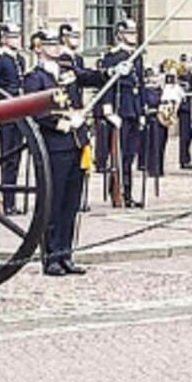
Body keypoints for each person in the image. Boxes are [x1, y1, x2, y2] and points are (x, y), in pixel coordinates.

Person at [23, 29, 93, 276]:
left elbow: (89, 78)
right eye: (50, 44)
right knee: (54, 201)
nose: (55, 48)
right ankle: (51, 256)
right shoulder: (35, 78)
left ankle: (66, 254)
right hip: (55, 144)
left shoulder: (67, 71)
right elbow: (36, 112)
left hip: (75, 143)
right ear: (39, 48)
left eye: (57, 44)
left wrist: (114, 72)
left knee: (71, 203)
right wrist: (63, 123)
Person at [97, 18, 146, 208]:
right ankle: (118, 191)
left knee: (130, 156)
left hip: (133, 108)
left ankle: (128, 192)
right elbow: (107, 86)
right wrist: (108, 111)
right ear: (120, 34)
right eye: (130, 33)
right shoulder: (113, 56)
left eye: (134, 32)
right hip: (120, 109)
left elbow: (139, 85)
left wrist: (141, 111)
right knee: (118, 155)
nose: (134, 36)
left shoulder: (137, 55)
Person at [0, 23, 28, 215]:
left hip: (18, 112)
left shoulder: (20, 59)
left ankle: (11, 200)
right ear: (3, 39)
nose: (17, 39)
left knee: (15, 159)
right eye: (13, 37)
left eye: (18, 36)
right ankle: (4, 200)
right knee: (7, 158)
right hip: (5, 113)